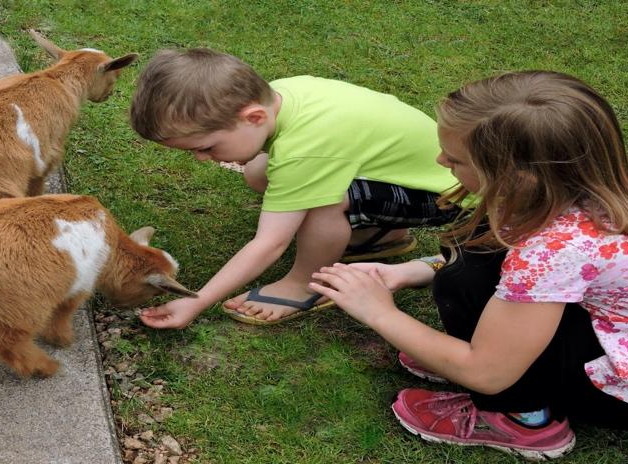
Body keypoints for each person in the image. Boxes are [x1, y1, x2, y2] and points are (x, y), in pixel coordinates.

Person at [310, 70, 628, 460]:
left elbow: (486, 373)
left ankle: (525, 420)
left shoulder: (556, 249)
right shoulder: (591, 193)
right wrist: (413, 270)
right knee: (470, 254)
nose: (440, 160)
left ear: (517, 176)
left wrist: (379, 313)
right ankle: (483, 361)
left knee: (461, 283)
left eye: (456, 159)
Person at [129, 48, 460, 328]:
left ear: (255, 117)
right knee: (260, 171)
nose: (202, 159)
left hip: (451, 195)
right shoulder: (280, 92)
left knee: (322, 204)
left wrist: (195, 302)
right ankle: (378, 238)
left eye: (206, 147)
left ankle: (305, 283)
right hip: (418, 174)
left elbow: (269, 244)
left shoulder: (304, 150)